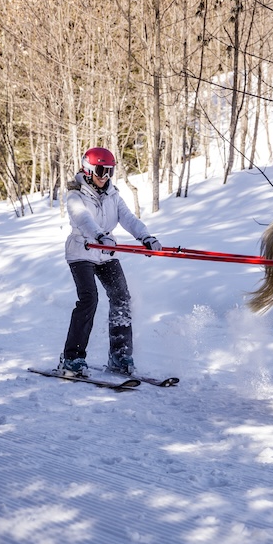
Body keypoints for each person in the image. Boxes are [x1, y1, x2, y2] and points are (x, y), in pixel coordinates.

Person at [58, 147, 162, 377]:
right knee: (89, 299)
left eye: (110, 171)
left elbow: (128, 218)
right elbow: (82, 218)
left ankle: (120, 355)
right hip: (82, 251)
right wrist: (99, 236)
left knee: (121, 297)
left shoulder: (113, 195)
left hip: (106, 253)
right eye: (100, 170)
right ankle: (72, 358)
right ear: (88, 170)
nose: (105, 176)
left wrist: (145, 237)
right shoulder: (76, 195)